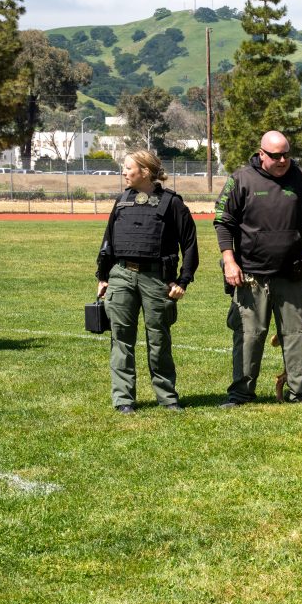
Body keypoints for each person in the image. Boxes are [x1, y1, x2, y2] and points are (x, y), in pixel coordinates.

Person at [214, 130, 302, 407]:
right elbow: (223, 222)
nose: (283, 159)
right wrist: (229, 261)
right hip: (251, 276)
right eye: (275, 155)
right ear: (261, 154)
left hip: (291, 275)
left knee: (297, 335)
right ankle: (241, 394)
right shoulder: (241, 180)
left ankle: (301, 392)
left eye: (286, 154)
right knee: (249, 336)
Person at [96, 150, 199, 413]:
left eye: (128, 168)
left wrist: (183, 281)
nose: (123, 172)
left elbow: (189, 245)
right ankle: (123, 400)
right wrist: (103, 277)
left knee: (159, 340)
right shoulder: (121, 201)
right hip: (121, 276)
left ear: (144, 171)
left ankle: (167, 397)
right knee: (121, 339)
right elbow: (108, 240)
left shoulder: (172, 203)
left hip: (157, 279)